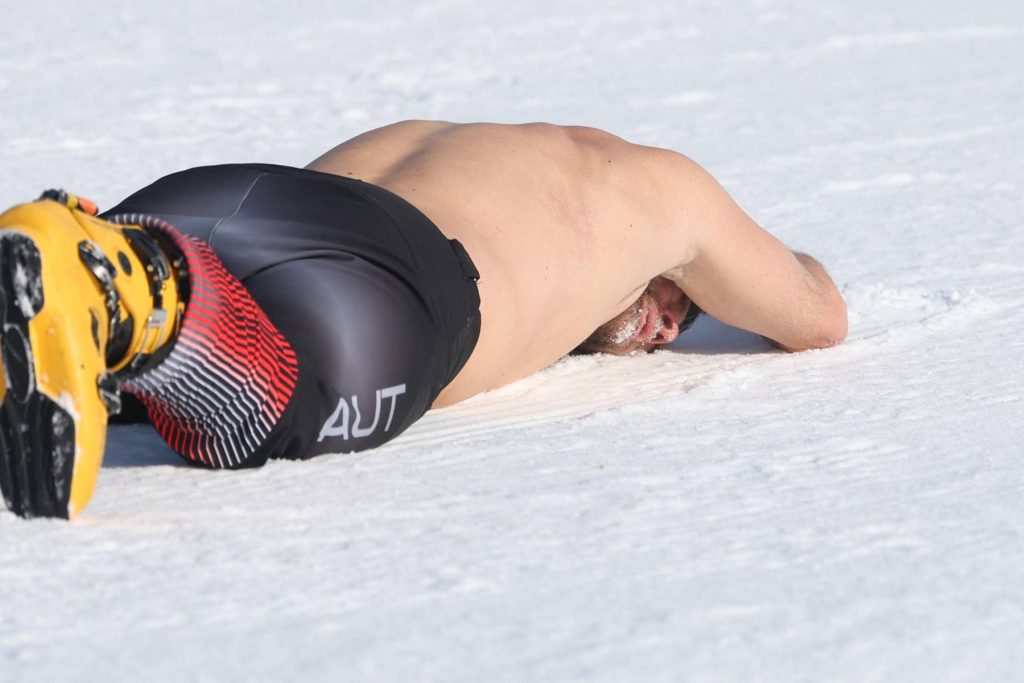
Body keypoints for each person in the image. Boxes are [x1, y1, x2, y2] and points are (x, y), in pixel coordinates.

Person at [0, 121, 847, 519]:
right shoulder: (664, 190)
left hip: (225, 202)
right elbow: (818, 314)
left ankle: (100, 277)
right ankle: (126, 284)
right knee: (276, 400)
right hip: (400, 272)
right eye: (680, 302)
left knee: (124, 366)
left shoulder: (425, 138)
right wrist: (770, 257)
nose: (667, 325)